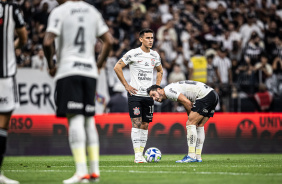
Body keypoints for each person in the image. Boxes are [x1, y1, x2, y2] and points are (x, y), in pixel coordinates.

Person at [43, 0, 112, 183]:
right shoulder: (92, 11)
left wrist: (51, 64)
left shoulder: (60, 11)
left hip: (69, 70)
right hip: (89, 71)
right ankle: (94, 172)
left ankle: (81, 172)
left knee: (75, 119)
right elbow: (109, 41)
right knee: (89, 121)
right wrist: (98, 65)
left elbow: (47, 41)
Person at [114, 28, 163, 163]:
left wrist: (156, 87)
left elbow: (160, 71)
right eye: (147, 38)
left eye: (152, 38)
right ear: (140, 39)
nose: (150, 40)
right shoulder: (133, 54)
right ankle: (137, 156)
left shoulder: (155, 55)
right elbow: (117, 67)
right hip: (135, 95)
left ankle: (141, 153)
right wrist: (126, 85)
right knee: (136, 123)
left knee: (145, 124)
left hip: (148, 96)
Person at [147, 80, 219, 163]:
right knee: (199, 125)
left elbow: (187, 102)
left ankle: (191, 156)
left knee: (190, 124)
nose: (154, 98)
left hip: (205, 96)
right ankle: (198, 156)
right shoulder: (171, 88)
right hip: (213, 94)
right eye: (151, 97)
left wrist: (191, 120)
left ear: (159, 89)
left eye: (153, 95)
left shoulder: (168, 91)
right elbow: (186, 103)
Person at [0, 0, 27, 183]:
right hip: (5, 75)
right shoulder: (12, 9)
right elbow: (23, 38)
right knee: (2, 123)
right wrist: (11, 46)